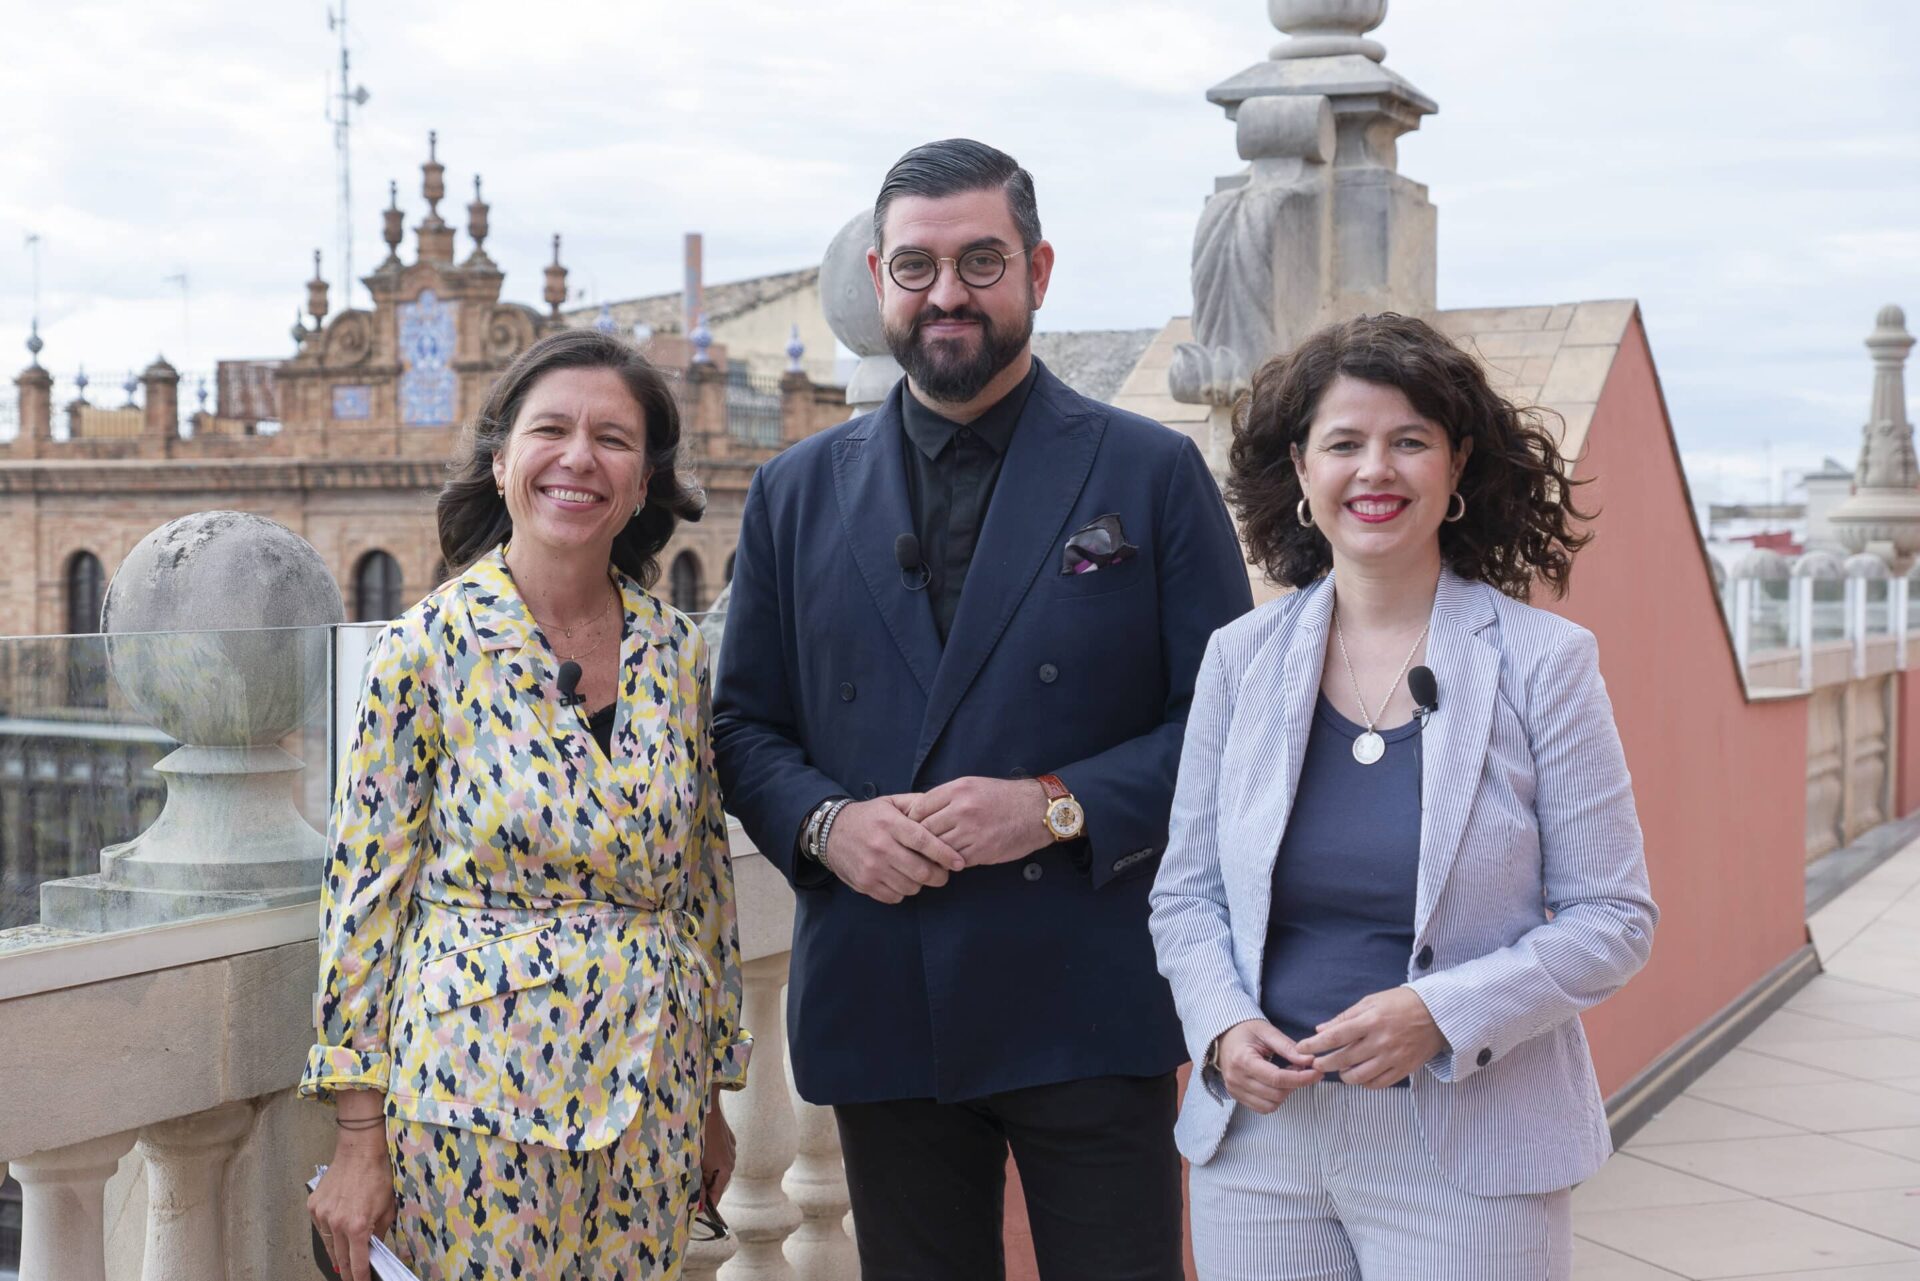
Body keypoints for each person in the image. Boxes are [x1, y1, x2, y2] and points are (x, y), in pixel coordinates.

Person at [713, 138, 1252, 1281]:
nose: (945, 293)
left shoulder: (1152, 474)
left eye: (979, 261)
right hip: (882, 999)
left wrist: (1054, 806)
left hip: (1090, 1000)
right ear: (877, 278)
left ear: (1038, 271)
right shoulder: (793, 492)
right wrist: (828, 827)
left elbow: (1225, 724)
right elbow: (744, 728)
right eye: (915, 267)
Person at [1149, 312, 1657, 1280]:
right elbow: (1186, 894)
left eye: (1409, 442)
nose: (1374, 470)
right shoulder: (1238, 660)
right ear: (1301, 471)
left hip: (1470, 1148)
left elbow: (1615, 919)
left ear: (1457, 466)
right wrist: (1219, 1027)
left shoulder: (1546, 664)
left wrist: (1440, 1012)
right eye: (1344, 443)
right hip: (1262, 1146)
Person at [300, 328, 750, 1281]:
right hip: (473, 1104)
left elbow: (702, 886)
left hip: (652, 1104)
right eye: (551, 429)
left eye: (614, 439)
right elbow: (363, 901)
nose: (579, 457)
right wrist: (356, 1134)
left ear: (641, 481)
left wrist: (711, 1093)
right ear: (502, 462)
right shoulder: (423, 649)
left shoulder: (677, 652)